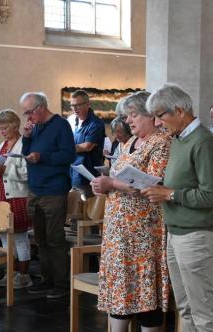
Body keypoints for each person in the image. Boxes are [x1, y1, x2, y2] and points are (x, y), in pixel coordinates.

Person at [143, 83, 213, 331]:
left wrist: (170, 194)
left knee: (202, 307)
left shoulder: (204, 142)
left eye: (160, 115)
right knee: (185, 306)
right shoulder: (178, 139)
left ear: (179, 110)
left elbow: (211, 196)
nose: (157, 122)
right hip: (175, 231)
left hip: (196, 234)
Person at [91, 91, 170, 332]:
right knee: (121, 287)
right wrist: (103, 185)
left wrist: (112, 184)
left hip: (143, 231)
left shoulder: (161, 142)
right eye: (127, 116)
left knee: (145, 291)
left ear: (151, 115)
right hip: (119, 232)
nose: (129, 121)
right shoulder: (128, 144)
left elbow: (153, 185)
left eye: (134, 115)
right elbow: (118, 178)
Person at [20, 92, 76, 298]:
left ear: (40, 108)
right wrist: (26, 138)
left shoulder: (60, 125)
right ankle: (46, 279)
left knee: (54, 239)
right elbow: (27, 154)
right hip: (35, 188)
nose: (27, 117)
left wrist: (42, 156)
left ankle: (61, 284)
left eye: (29, 112)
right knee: (40, 239)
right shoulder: (35, 127)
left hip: (54, 189)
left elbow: (69, 155)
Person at [0, 110, 33, 289]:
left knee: (20, 236)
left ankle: (24, 275)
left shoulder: (24, 144)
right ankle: (12, 272)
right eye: (0, 129)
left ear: (15, 125)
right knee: (4, 236)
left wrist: (5, 170)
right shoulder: (3, 145)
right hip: (1, 192)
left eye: (5, 128)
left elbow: (28, 172)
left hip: (17, 194)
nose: (2, 132)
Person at [68, 90, 105, 197]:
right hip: (72, 171)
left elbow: (87, 146)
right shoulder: (71, 120)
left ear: (88, 104)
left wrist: (65, 148)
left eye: (78, 105)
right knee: (73, 208)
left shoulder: (96, 123)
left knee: (87, 208)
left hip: (87, 174)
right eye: (72, 105)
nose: (74, 109)